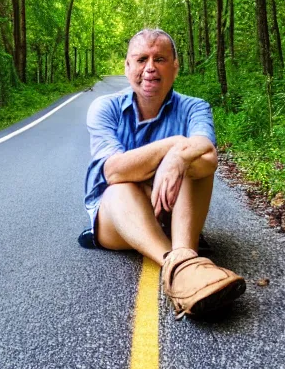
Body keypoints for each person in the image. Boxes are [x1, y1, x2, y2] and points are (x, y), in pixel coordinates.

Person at [79, 28, 246, 320]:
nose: (150, 68)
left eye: (160, 59)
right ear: (127, 67)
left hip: (172, 211)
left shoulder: (195, 106)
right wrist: (174, 147)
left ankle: (182, 258)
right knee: (119, 187)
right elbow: (113, 170)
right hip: (117, 219)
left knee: (196, 163)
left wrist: (181, 159)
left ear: (176, 66)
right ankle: (179, 266)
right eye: (141, 59)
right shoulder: (104, 108)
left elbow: (208, 157)